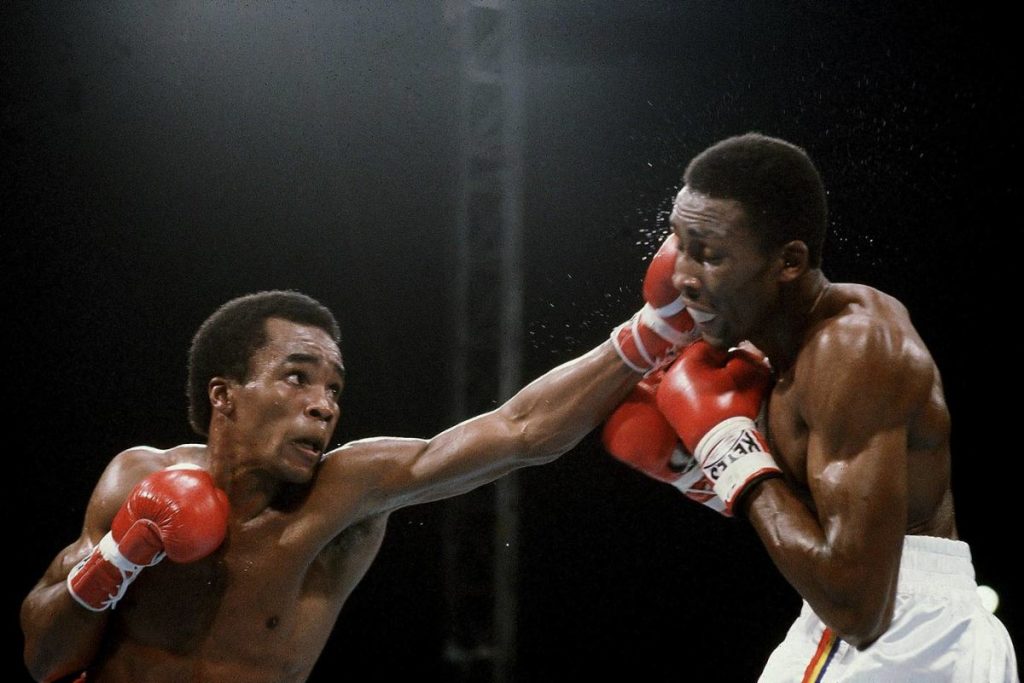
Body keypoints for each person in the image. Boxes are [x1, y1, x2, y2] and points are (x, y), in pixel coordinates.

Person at [20, 231, 700, 682]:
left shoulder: (346, 493)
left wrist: (653, 332)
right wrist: (117, 558)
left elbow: (516, 430)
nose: (324, 403)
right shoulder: (138, 475)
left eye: (334, 387)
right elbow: (44, 657)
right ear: (224, 394)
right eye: (297, 376)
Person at [601, 132, 1018, 681]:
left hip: (891, 633)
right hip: (939, 631)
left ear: (789, 261)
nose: (683, 277)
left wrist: (729, 453)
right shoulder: (791, 351)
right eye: (680, 245)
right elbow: (523, 427)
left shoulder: (849, 349)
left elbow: (856, 609)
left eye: (711, 255)